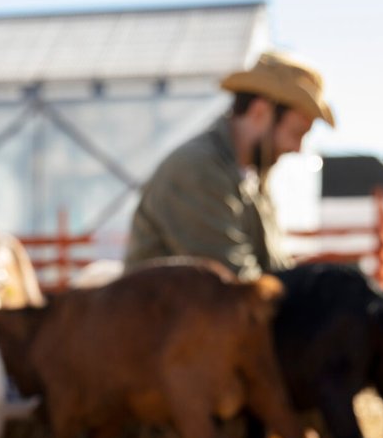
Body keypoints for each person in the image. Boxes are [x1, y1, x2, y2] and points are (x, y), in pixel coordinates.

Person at [124, 49, 334, 278]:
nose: (297, 148)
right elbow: (237, 287)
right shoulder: (197, 171)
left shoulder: (251, 178)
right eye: (296, 133)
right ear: (259, 113)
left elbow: (272, 269)